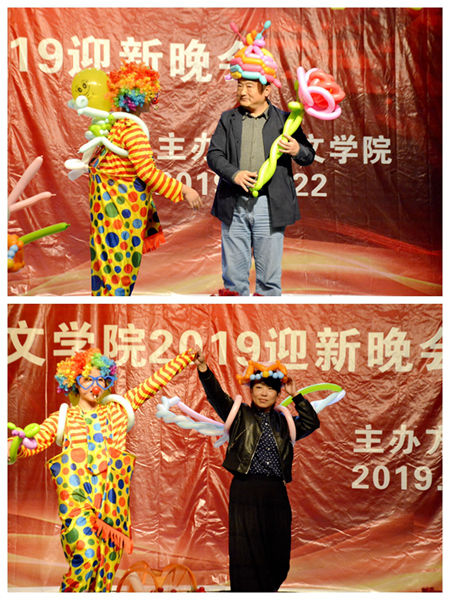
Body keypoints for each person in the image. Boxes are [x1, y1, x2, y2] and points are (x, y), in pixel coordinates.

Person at [7, 347, 194, 592]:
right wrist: (15, 446)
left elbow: (152, 384)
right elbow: (35, 441)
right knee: (86, 557)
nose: (95, 386)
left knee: (103, 576)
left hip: (112, 510)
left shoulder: (117, 412)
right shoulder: (63, 419)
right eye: (87, 379)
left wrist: (187, 356)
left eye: (101, 380)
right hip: (78, 505)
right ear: (74, 382)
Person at [193, 348, 320, 592]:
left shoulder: (285, 422)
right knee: (246, 552)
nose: (264, 393)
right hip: (246, 490)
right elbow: (216, 396)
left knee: (278, 553)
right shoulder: (239, 415)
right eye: (259, 387)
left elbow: (311, 422)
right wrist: (203, 368)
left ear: (277, 394)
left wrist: (296, 396)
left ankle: (268, 591)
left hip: (275, 492)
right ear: (250, 390)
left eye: (270, 389)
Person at [206, 23, 315, 296]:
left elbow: (309, 155)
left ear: (267, 91)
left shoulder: (284, 121)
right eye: (239, 85)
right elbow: (214, 155)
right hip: (234, 203)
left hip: (269, 204)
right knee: (234, 280)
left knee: (268, 281)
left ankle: (266, 319)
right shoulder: (228, 119)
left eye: (249, 86)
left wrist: (296, 149)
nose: (242, 91)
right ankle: (235, 318)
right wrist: (234, 174)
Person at [87, 62, 202, 296]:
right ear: (140, 97)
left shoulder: (114, 126)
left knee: (106, 267)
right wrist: (184, 190)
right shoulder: (132, 130)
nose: (154, 99)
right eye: (152, 94)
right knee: (119, 268)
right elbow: (147, 173)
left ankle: (105, 308)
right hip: (120, 215)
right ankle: (113, 312)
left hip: (107, 214)